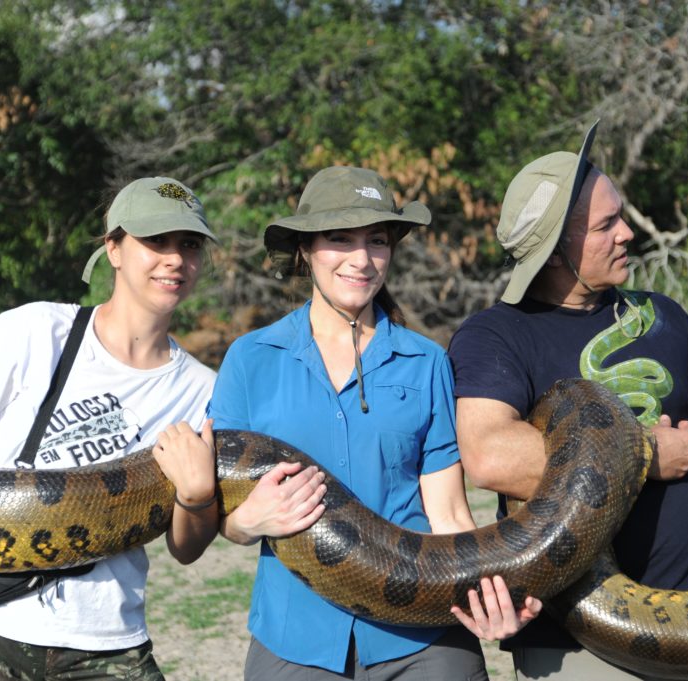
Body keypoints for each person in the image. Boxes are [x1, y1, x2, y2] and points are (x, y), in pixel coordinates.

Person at [447, 122, 688, 681]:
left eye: (621, 216)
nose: (628, 233)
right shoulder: (496, 335)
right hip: (585, 638)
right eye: (606, 225)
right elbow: (488, 455)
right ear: (557, 250)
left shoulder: (662, 315)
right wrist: (647, 455)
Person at [180, 165, 541, 680]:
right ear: (305, 249)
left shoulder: (426, 361)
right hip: (296, 634)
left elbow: (450, 515)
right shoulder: (250, 358)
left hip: (422, 635)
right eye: (340, 239)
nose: (362, 259)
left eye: (377, 240)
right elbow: (227, 517)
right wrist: (246, 524)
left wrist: (493, 596)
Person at [0, 176, 222, 680]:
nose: (175, 259)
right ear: (114, 248)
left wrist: (196, 498)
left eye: (189, 244)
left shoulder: (204, 390)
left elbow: (186, 548)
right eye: (155, 241)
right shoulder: (38, 331)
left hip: (106, 643)